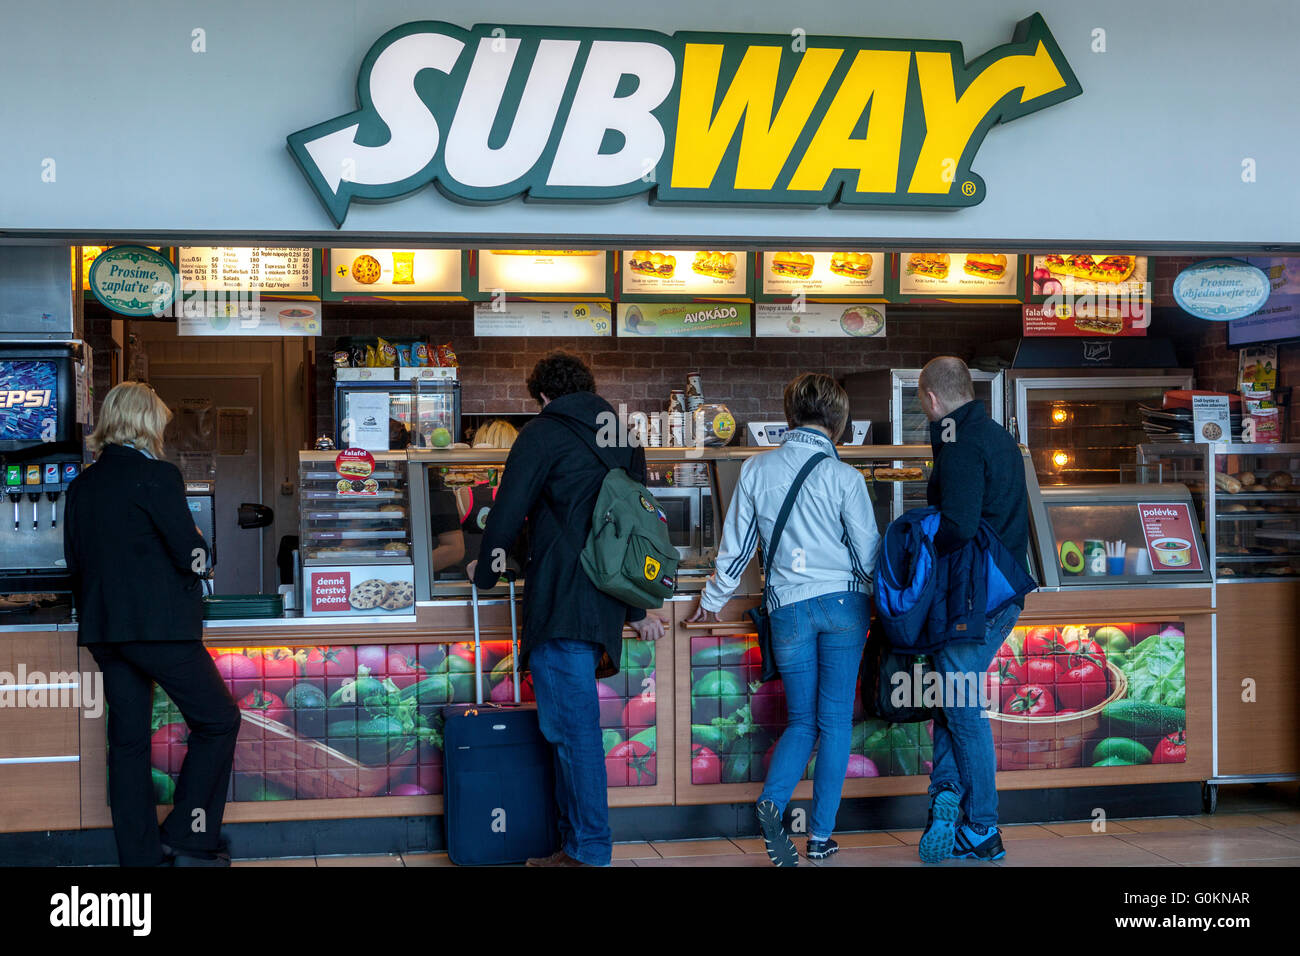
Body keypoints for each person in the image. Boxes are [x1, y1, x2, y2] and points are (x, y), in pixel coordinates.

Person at [467, 352, 665, 867]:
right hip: (604, 602)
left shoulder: (542, 432)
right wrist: (635, 608)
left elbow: (506, 513)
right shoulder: (622, 434)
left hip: (560, 599)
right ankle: (572, 845)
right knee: (570, 733)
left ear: (543, 396)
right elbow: (636, 528)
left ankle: (590, 852)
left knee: (574, 735)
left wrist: (484, 571)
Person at [688, 373, 880, 866]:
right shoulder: (846, 478)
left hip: (787, 609)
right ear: (838, 423)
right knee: (834, 722)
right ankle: (819, 838)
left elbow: (736, 550)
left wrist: (712, 599)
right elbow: (869, 556)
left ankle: (772, 805)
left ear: (789, 415)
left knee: (801, 721)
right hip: (843, 607)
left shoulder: (756, 469)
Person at [64, 381, 241, 867]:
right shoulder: (159, 477)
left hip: (106, 632)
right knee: (218, 721)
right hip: (160, 630)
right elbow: (194, 556)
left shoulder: (82, 484)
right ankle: (189, 834)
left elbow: (74, 563)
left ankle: (140, 861)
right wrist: (204, 547)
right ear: (145, 424)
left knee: (127, 746)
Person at [915, 356, 1029, 863]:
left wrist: (915, 541)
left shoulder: (957, 442)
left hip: (973, 599)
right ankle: (948, 794)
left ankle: (982, 827)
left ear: (932, 399)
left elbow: (958, 525)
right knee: (951, 697)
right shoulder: (999, 435)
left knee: (962, 708)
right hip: (997, 593)